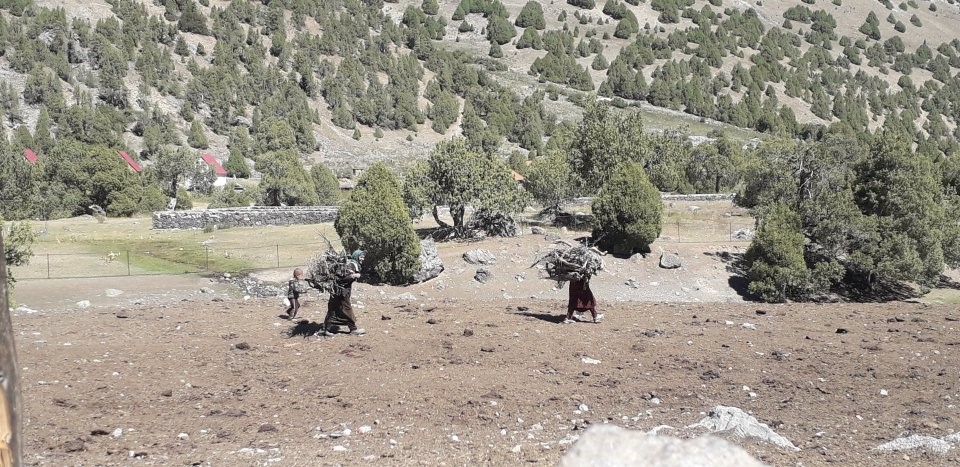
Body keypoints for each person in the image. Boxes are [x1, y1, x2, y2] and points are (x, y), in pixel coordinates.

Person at [320, 250, 367, 336]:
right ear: (356, 256)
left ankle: (326, 329)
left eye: (363, 257)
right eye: (361, 257)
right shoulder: (352, 265)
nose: (363, 259)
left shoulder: (349, 263)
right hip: (342, 291)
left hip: (335, 289)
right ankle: (353, 329)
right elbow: (342, 278)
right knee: (346, 308)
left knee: (333, 308)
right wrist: (353, 276)